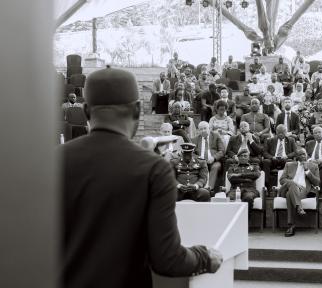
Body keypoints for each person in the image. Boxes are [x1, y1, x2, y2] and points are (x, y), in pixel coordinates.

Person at [61, 67, 221, 288]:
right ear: (137, 109)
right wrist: (205, 257)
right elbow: (167, 259)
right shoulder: (154, 169)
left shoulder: (52, 162)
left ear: (87, 110)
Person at [279, 148, 320, 237]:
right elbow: (282, 180)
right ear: (296, 157)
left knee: (289, 194)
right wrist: (293, 183)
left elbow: (317, 182)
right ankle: (299, 207)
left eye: (304, 154)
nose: (303, 156)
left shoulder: (313, 166)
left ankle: (291, 225)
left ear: (307, 155)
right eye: (300, 154)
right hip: (287, 188)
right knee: (292, 185)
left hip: (302, 191)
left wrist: (307, 171)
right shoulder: (289, 165)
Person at [262, 124, 297, 190]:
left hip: (285, 160)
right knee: (265, 162)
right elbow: (264, 152)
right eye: (279, 132)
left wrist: (287, 156)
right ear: (276, 131)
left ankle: (289, 184)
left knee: (291, 162)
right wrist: (272, 157)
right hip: (273, 160)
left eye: (283, 132)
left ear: (286, 132)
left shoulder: (291, 140)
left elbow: (295, 152)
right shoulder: (270, 140)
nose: (281, 134)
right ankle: (266, 185)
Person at [193, 121, 225, 191]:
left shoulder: (216, 136)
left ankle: (209, 189)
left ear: (209, 128)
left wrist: (213, 158)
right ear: (198, 130)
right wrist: (198, 158)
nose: (203, 131)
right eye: (201, 129)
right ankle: (196, 188)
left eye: (205, 128)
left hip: (214, 161)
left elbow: (222, 151)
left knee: (215, 166)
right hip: (200, 162)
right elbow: (192, 153)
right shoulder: (195, 139)